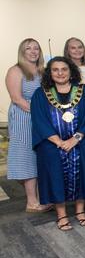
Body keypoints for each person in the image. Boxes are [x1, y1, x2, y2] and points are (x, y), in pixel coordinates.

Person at [30, 57, 85, 231]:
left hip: (80, 142)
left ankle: (79, 210)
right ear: (50, 72)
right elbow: (39, 121)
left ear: (71, 71)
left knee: (82, 173)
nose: (60, 73)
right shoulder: (41, 94)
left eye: (64, 69)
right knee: (54, 175)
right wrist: (59, 142)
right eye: (55, 70)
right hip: (52, 144)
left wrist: (74, 139)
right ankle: (61, 214)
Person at [5, 38, 50, 213]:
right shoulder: (15, 70)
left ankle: (42, 197)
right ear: (22, 51)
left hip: (41, 117)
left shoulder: (42, 71)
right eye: (28, 48)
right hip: (24, 117)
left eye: (36, 48)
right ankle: (32, 201)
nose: (33, 51)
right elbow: (17, 99)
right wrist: (39, 113)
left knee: (40, 157)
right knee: (26, 158)